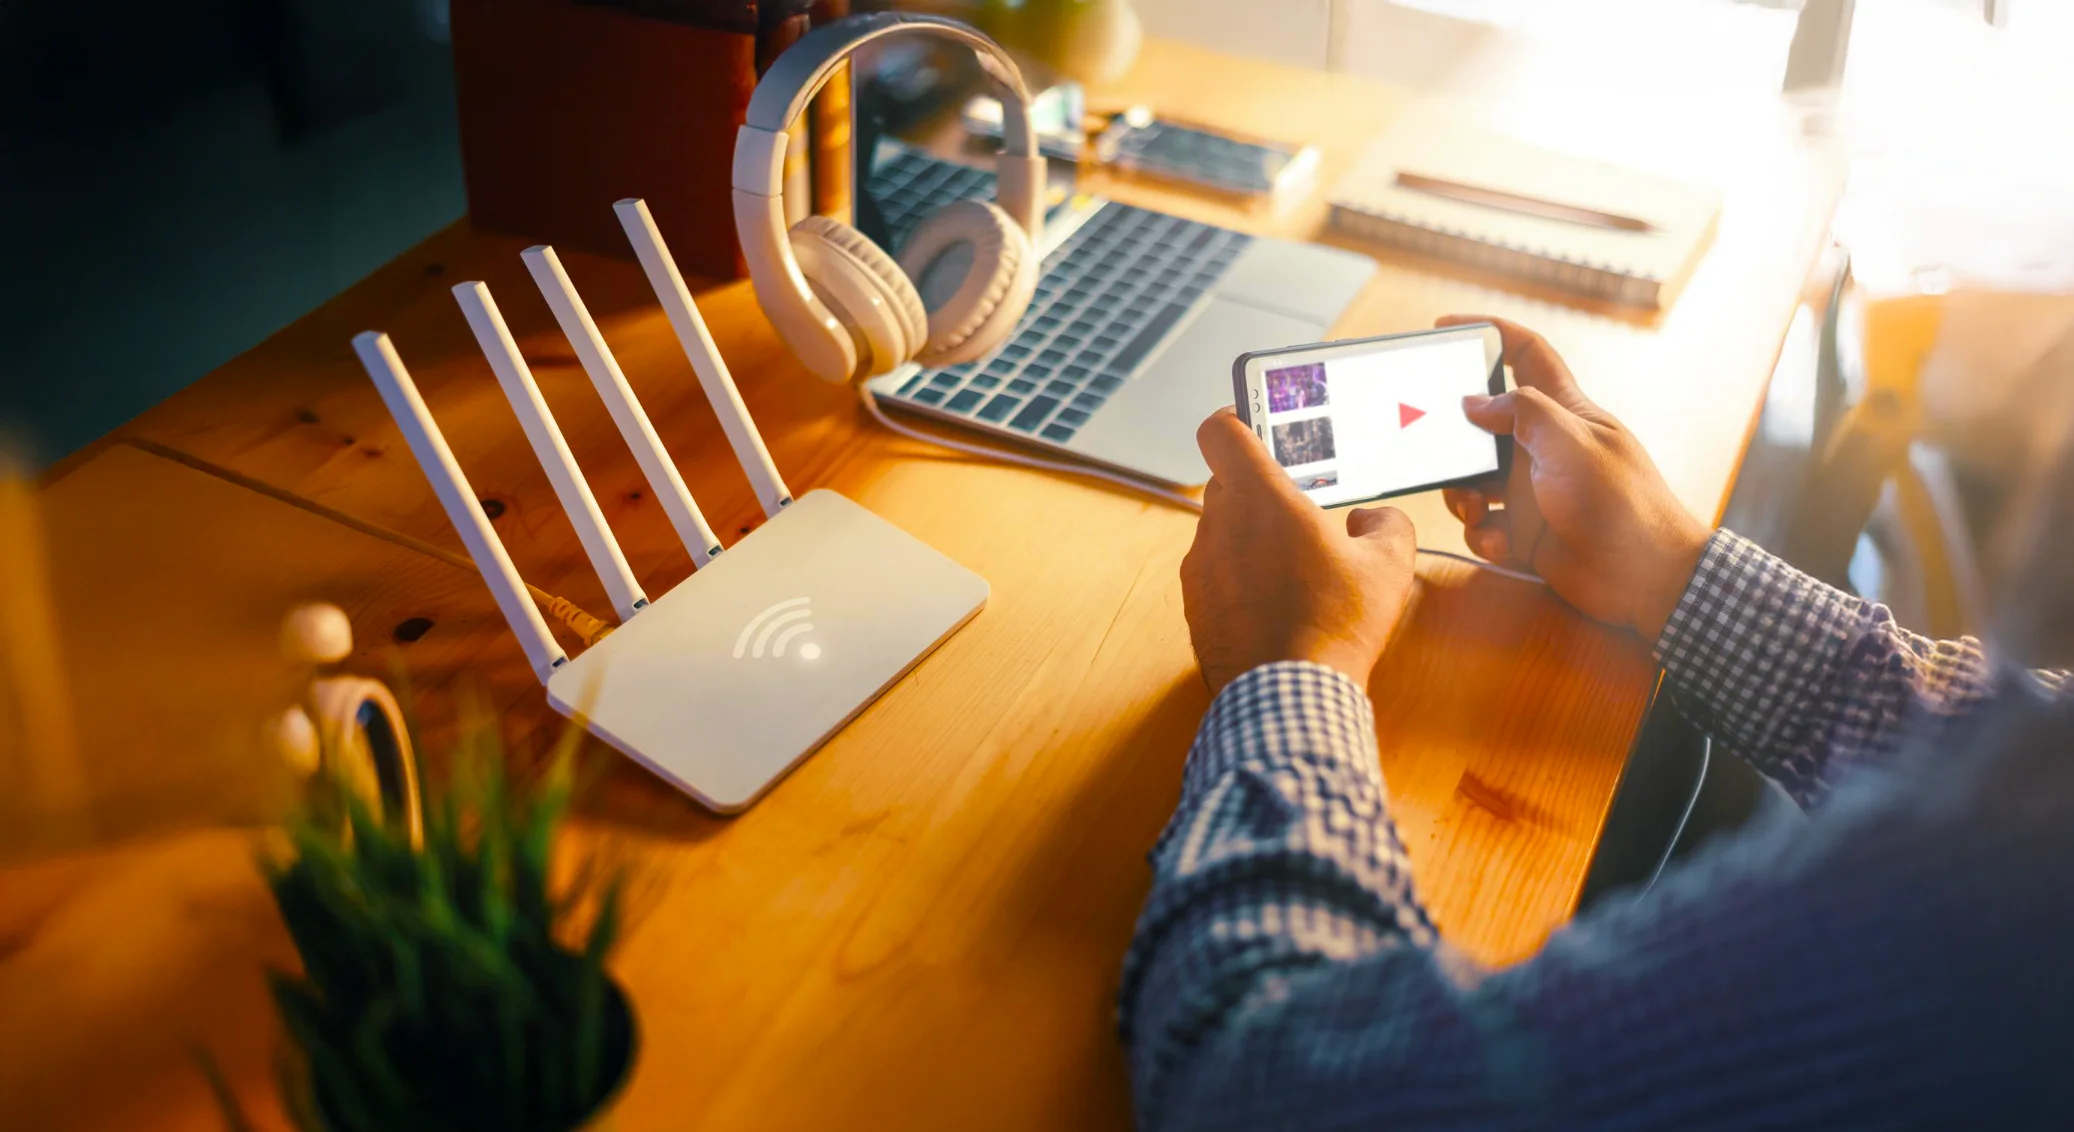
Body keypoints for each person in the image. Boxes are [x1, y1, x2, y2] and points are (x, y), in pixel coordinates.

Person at [1119, 316, 2074, 1131]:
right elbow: (1988, 745)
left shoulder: (1999, 894)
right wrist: (1673, 569)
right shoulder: (2019, 823)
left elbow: (1279, 1089)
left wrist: (1295, 668)